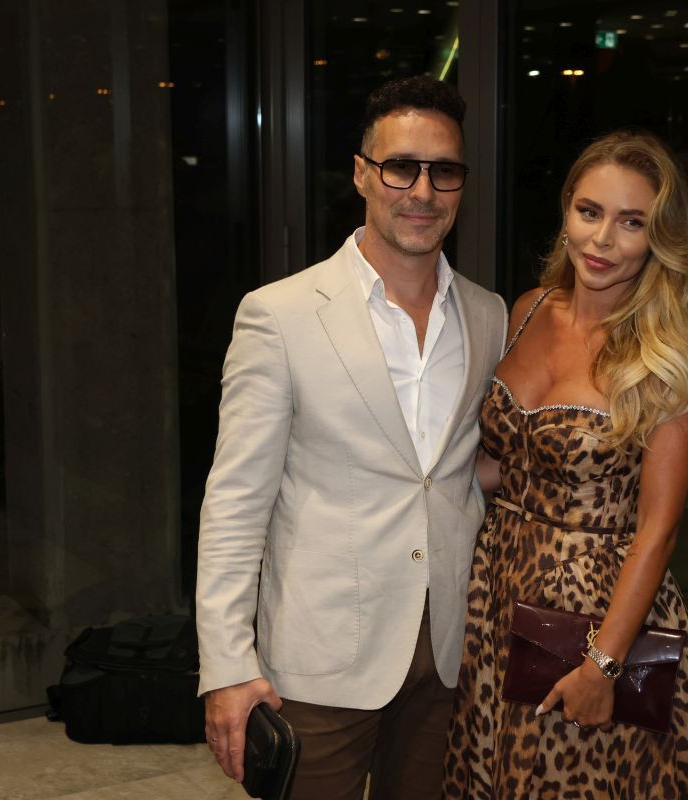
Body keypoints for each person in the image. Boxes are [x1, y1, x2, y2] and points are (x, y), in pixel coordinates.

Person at [195, 75, 508, 800]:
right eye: (401, 167)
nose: (422, 191)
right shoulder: (279, 315)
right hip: (320, 659)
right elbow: (236, 503)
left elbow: (457, 470)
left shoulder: (488, 316)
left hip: (447, 653)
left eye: (444, 171)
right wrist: (227, 666)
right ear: (362, 174)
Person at [443, 130, 688, 799]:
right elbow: (505, 466)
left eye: (631, 222)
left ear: (658, 239)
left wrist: (602, 665)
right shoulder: (528, 311)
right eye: (590, 212)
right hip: (494, 594)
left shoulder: (671, 358)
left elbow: (659, 531)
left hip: (593, 619)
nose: (603, 239)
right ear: (567, 212)